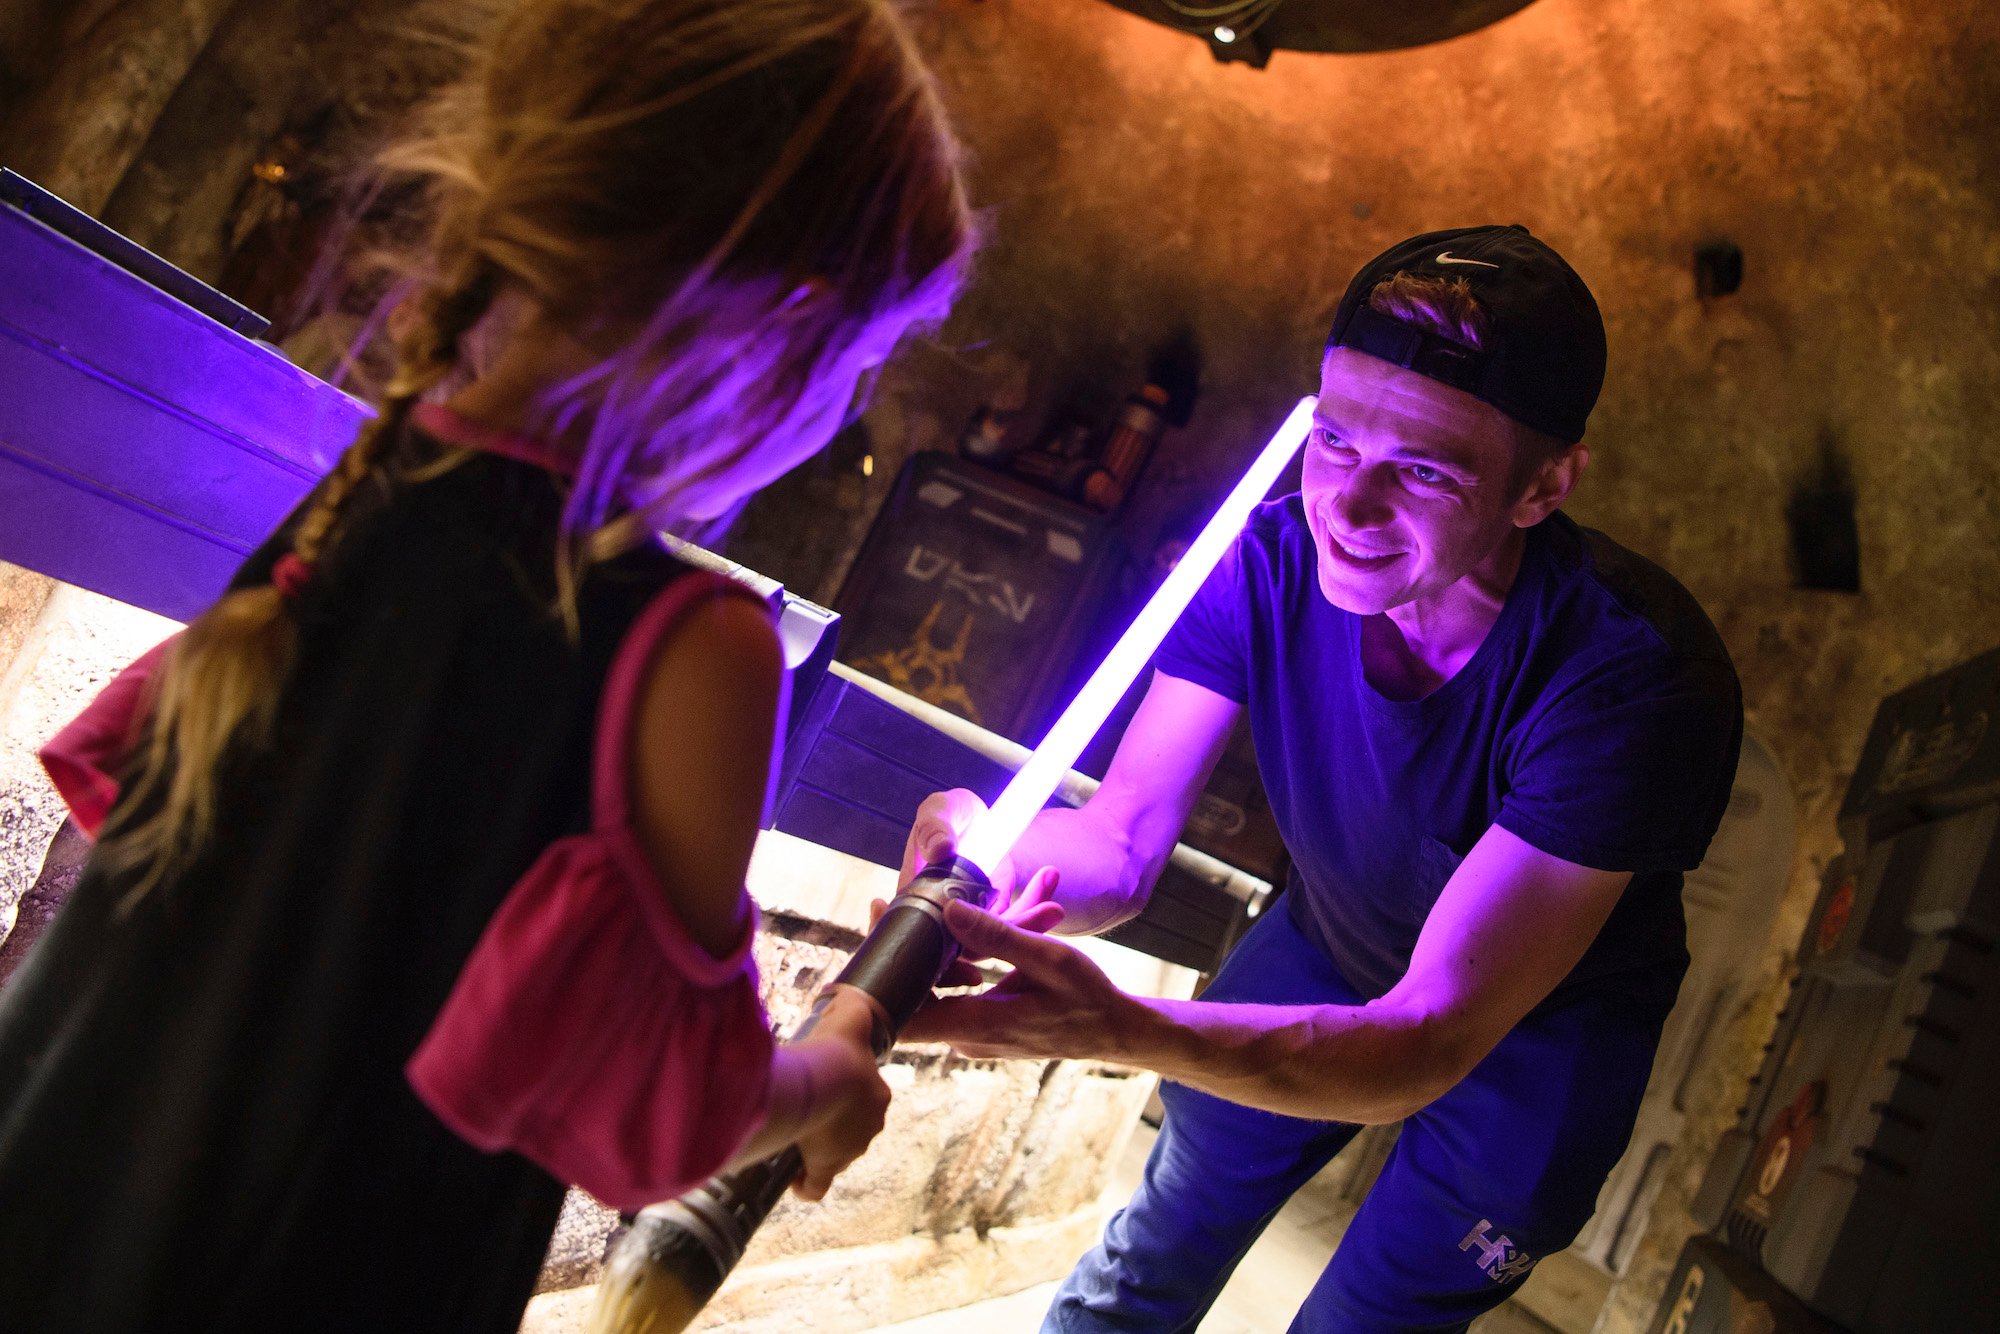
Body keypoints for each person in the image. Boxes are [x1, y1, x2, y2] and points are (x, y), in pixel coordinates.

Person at [0, 2, 973, 1330]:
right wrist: (829, 1076)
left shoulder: (362, 491)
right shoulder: (696, 647)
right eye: (859, 364)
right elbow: (664, 1113)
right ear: (789, 325)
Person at [900, 226, 1743, 1332]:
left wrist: (1118, 1025)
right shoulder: (1267, 557)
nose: (1346, 506)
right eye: (1334, 440)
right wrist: (987, 854)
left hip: (1532, 1040)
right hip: (1328, 939)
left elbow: (1428, 1035)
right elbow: (1118, 844)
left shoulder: (1629, 677)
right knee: (1160, 1232)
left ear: (1543, 487)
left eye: (1425, 470)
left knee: (1365, 1320)